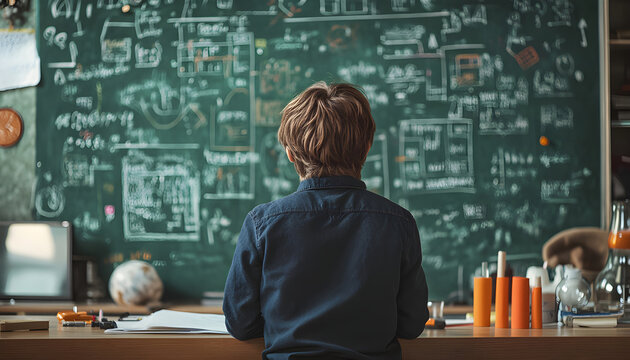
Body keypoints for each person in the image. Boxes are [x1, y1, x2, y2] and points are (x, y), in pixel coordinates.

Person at [223, 82, 429, 360]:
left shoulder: (262, 224)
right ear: (367, 147)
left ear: (290, 154)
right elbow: (412, 324)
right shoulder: (398, 223)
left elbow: (239, 323)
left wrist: (282, 326)